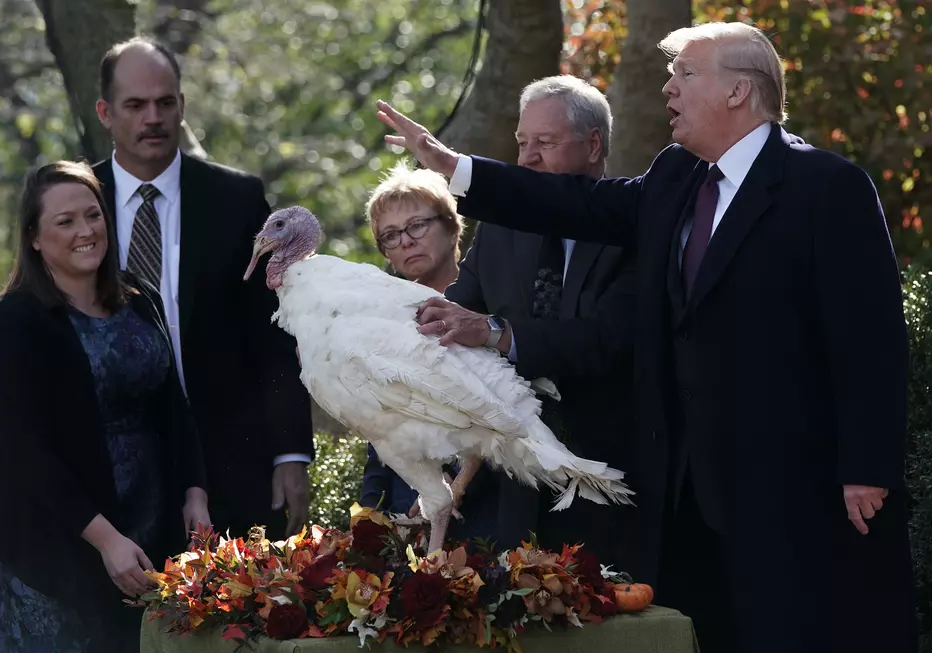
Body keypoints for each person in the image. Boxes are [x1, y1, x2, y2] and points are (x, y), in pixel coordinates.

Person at [376, 21, 916, 653]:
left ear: (739, 90)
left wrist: (866, 467)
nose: (668, 89)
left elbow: (870, 338)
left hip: (790, 487)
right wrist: (457, 170)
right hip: (684, 496)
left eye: (685, 74)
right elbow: (576, 205)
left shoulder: (826, 187)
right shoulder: (676, 177)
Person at [0, 161, 209, 652]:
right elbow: (25, 451)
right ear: (34, 237)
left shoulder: (141, 300)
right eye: (65, 221)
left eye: (93, 215)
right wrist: (105, 540)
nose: (86, 231)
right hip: (47, 535)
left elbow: (173, 406)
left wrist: (194, 493)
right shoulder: (11, 322)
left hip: (144, 516)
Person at [91, 37, 314, 540]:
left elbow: (274, 333)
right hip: (114, 471)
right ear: (106, 112)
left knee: (241, 617)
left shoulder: (236, 199)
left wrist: (291, 451)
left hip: (233, 465)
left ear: (181, 106)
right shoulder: (76, 203)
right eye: (136, 105)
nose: (154, 117)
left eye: (165, 103)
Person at [412, 75, 638, 568]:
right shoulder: (501, 227)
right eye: (521, 143)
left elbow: (606, 341)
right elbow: (452, 316)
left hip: (607, 480)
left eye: (545, 142)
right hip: (511, 492)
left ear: (593, 143)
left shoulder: (636, 227)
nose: (528, 158)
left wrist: (499, 333)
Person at [359, 161, 499, 541]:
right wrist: (369, 519)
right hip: (403, 511)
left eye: (417, 226)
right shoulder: (379, 325)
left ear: (453, 227)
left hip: (489, 512)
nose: (405, 241)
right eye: (390, 235)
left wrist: (451, 489)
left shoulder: (492, 312)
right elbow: (378, 435)